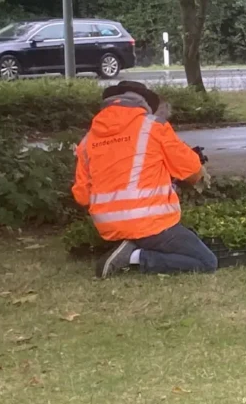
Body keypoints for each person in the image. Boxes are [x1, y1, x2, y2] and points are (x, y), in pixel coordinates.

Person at [73, 81, 217, 278]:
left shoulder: (87, 140)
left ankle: (131, 243)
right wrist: (198, 177)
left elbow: (82, 196)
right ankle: (134, 256)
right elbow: (191, 168)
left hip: (107, 225)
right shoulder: (153, 127)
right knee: (206, 261)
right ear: (144, 104)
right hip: (151, 223)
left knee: (158, 237)